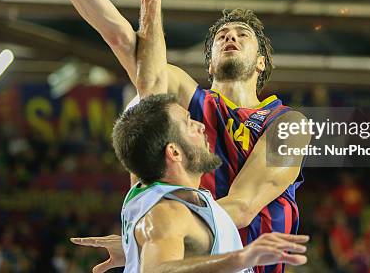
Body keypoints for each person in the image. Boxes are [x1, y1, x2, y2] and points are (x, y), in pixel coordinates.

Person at [24, 0, 309, 273]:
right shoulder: (187, 100)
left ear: (261, 61)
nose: (230, 36)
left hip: (229, 259)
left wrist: (146, 234)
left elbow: (241, 208)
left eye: (242, 35)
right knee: (139, 66)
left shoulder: (288, 125)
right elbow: (120, 37)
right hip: (189, 256)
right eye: (222, 35)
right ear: (208, 63)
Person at [73, 94, 309, 273]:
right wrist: (241, 258)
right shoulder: (166, 213)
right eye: (188, 123)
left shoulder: (173, 198)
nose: (201, 126)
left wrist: (132, 247)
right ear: (174, 152)